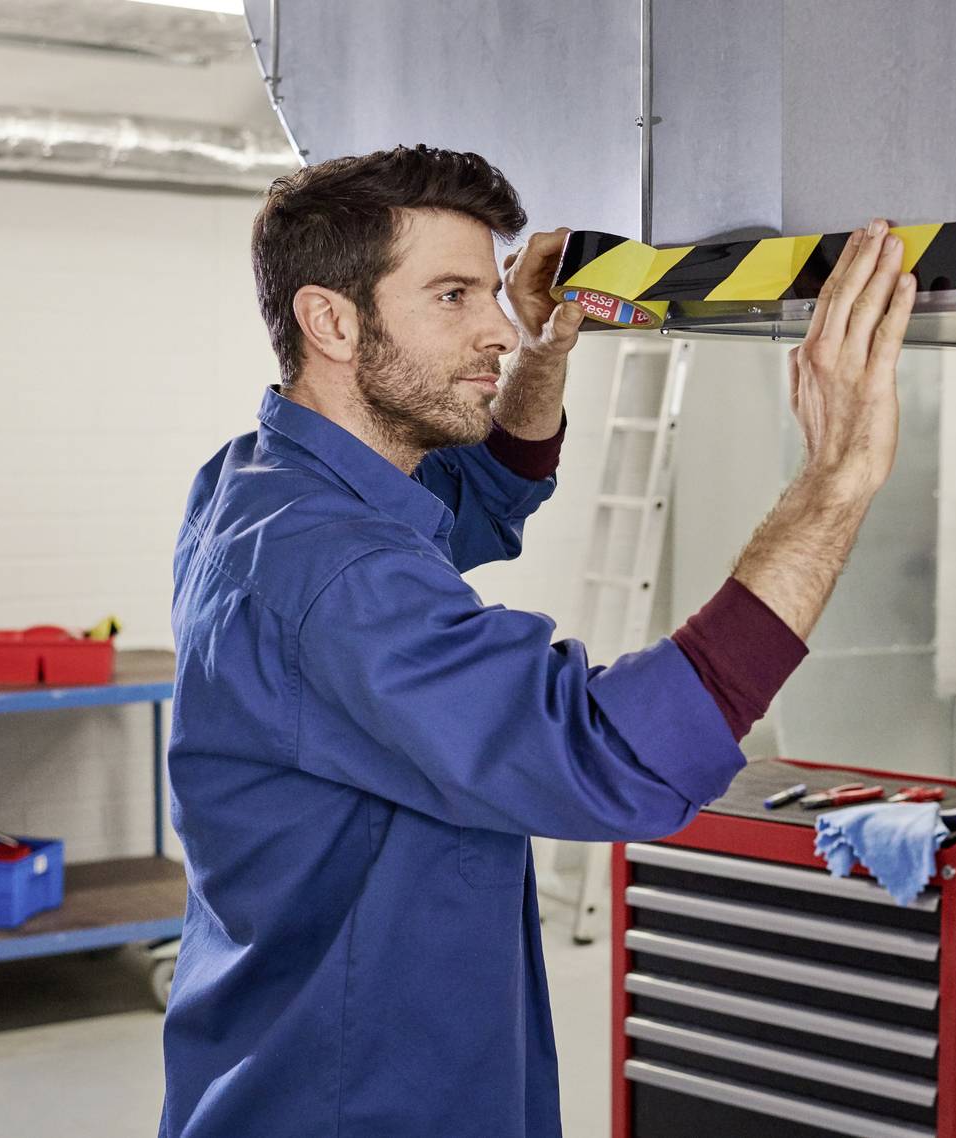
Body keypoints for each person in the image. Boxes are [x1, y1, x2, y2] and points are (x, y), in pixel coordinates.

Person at [159, 144, 916, 1137]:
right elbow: (607, 756)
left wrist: (548, 359)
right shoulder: (332, 571)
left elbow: (467, 503)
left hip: (295, 1048)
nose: (497, 331)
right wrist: (834, 482)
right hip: (357, 1098)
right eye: (452, 296)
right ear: (330, 319)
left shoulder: (262, 484)